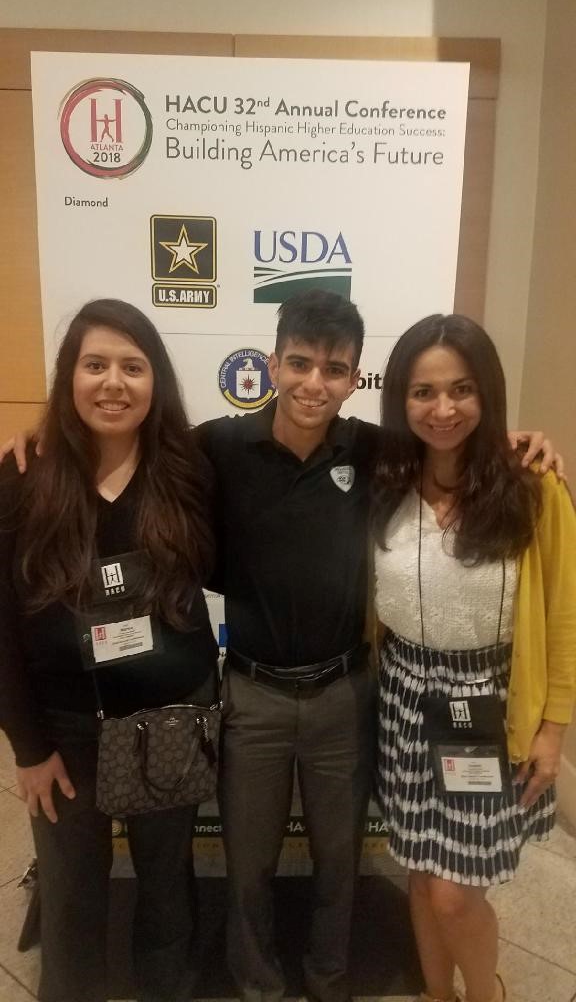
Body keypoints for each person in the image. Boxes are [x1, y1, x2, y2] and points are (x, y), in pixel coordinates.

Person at [1, 291, 561, 1002]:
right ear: (271, 364)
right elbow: (133, 446)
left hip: (345, 692)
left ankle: (329, 982)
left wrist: (525, 442)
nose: (312, 383)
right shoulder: (217, 447)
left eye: (334, 369)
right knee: (248, 866)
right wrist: (40, 432)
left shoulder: (374, 450)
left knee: (338, 863)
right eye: (298, 363)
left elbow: (451, 443)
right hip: (252, 694)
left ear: (354, 378)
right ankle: (257, 985)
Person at [0, 299, 219, 1002]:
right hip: (65, 731)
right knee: (70, 896)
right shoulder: (23, 480)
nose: (113, 382)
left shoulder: (190, 471)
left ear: (156, 382)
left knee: (166, 889)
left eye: (133, 365)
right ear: (70, 377)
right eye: (95, 365)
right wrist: (27, 747)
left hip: (169, 723)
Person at [371, 314, 576, 1002]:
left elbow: (564, 619)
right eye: (423, 392)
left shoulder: (533, 487)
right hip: (402, 697)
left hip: (486, 707)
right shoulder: (383, 481)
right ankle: (437, 994)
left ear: (487, 393)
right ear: (400, 399)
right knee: (424, 878)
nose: (443, 409)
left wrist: (553, 729)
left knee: (458, 894)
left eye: (462, 389)